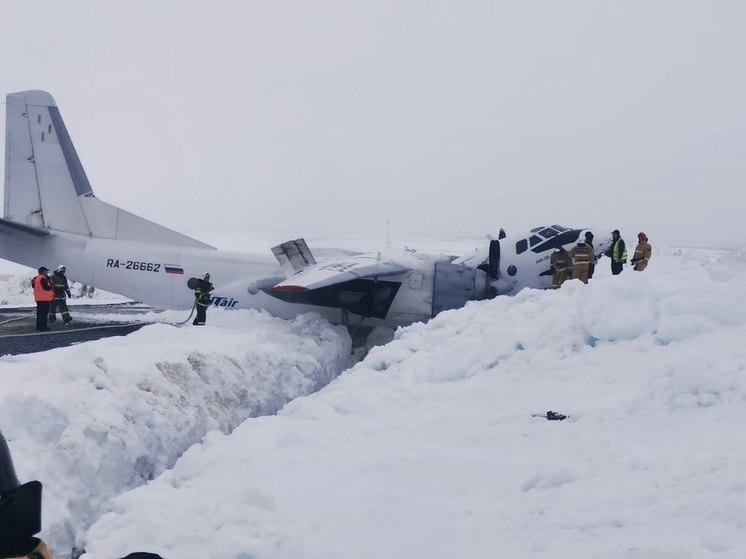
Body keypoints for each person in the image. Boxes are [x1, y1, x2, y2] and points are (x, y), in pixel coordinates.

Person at [31, 267, 54, 332]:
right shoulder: (43, 278)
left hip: (39, 299)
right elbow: (46, 287)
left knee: (40, 314)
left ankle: (39, 326)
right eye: (46, 271)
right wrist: (51, 286)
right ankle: (43, 327)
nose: (47, 272)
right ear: (43, 271)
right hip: (44, 299)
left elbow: (34, 286)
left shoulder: (37, 278)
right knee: (44, 314)